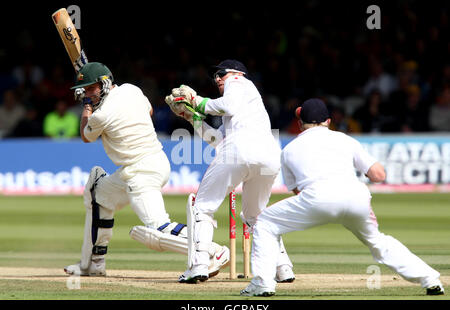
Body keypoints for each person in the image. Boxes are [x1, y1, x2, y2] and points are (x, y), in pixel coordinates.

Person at [240, 98, 444, 296]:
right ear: (328, 122)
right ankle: (430, 279)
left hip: (317, 198)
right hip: (357, 197)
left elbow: (297, 192)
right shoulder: (345, 139)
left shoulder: (289, 149)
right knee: (377, 241)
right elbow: (379, 175)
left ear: (300, 123)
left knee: (265, 222)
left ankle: (263, 283)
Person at [64, 62, 229, 277]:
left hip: (141, 173)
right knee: (99, 193)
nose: (87, 94)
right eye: (84, 90)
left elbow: (86, 136)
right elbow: (149, 110)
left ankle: (213, 251)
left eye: (89, 89)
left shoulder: (100, 115)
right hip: (149, 164)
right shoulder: (132, 90)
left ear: (104, 84)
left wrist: (87, 107)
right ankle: (94, 263)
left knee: (157, 229)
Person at [165, 59, 294, 283]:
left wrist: (196, 101)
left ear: (235, 73)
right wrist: (191, 117)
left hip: (240, 150)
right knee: (256, 215)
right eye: (215, 76)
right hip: (269, 155)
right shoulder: (247, 105)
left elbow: (227, 106)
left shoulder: (238, 81)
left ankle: (199, 265)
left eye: (220, 74)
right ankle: (283, 267)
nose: (217, 79)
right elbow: (218, 139)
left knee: (202, 208)